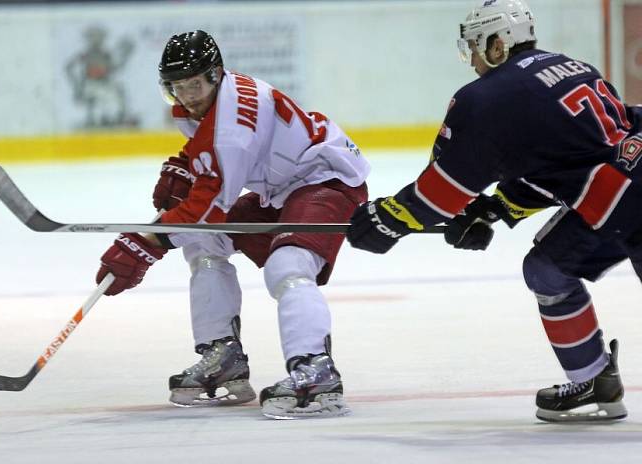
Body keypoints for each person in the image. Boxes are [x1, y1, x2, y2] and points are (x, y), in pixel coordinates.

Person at [346, 0, 642, 422]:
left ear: (498, 43)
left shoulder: (489, 97)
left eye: (476, 47)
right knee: (546, 269)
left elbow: (441, 192)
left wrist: (390, 219)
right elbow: (565, 164)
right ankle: (593, 380)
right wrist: (494, 208)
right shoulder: (571, 66)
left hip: (625, 200)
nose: (472, 61)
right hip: (619, 193)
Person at [94, 30, 370, 419]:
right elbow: (208, 184)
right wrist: (187, 166)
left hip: (326, 180)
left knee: (287, 266)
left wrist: (144, 243)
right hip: (280, 189)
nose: (187, 95)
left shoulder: (231, 131)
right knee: (204, 244)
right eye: (177, 86)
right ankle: (222, 353)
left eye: (194, 84)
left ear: (216, 75)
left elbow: (207, 210)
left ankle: (315, 370)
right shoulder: (213, 104)